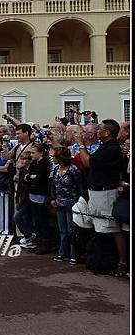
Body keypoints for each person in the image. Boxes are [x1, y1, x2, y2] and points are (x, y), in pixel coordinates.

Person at [74, 119, 128, 277]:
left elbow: (87, 162)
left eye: (100, 130)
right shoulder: (105, 147)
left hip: (105, 192)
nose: (97, 132)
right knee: (99, 225)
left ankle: (122, 262)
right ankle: (102, 258)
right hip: (96, 192)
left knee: (112, 226)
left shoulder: (111, 149)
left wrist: (81, 144)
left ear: (107, 133)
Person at [16, 143, 52, 254]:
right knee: (36, 220)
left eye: (33, 153)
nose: (31, 155)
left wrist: (32, 177)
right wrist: (31, 177)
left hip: (40, 195)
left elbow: (38, 178)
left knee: (42, 220)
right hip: (32, 195)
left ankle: (45, 243)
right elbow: (29, 176)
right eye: (31, 152)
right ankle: (39, 241)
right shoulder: (35, 163)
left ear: (40, 153)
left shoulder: (44, 163)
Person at [50, 146, 81, 264]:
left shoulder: (73, 169)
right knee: (62, 230)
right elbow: (53, 185)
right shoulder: (56, 169)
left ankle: (74, 254)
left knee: (71, 230)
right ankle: (63, 252)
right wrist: (52, 198)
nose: (53, 159)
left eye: (55, 157)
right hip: (59, 203)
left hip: (72, 203)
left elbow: (79, 186)